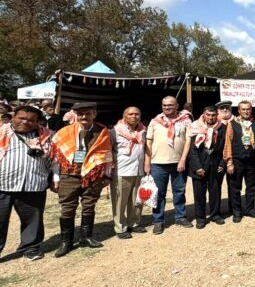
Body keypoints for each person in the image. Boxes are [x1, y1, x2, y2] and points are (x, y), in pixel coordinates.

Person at [51, 102, 113, 257]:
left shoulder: (103, 132)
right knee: (67, 206)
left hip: (92, 174)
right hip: (69, 174)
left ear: (94, 114)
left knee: (89, 204)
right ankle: (66, 242)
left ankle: (86, 237)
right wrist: (56, 177)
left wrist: (106, 175)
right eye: (80, 114)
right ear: (75, 115)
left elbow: (106, 156)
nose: (84, 116)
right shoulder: (63, 132)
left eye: (88, 113)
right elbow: (55, 158)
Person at [0, 106, 55, 261]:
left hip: (33, 184)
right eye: (21, 118)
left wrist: (55, 179)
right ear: (13, 117)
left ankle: (30, 248)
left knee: (33, 219)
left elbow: (55, 159)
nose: (25, 122)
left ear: (37, 122)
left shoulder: (47, 135)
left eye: (30, 120)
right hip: (2, 183)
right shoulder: (1, 132)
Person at [145, 96, 193, 233]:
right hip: (158, 163)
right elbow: (148, 143)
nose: (167, 107)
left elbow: (188, 142)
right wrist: (147, 163)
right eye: (164, 105)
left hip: (178, 163)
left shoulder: (186, 121)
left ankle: (180, 217)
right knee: (159, 193)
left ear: (177, 106)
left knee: (179, 192)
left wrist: (183, 159)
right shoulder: (155, 122)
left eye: (170, 105)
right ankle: (158, 221)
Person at [109, 107, 146, 239]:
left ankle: (134, 223)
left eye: (137, 114)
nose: (134, 116)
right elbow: (108, 150)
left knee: (137, 200)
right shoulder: (114, 131)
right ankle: (120, 227)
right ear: (124, 116)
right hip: (121, 171)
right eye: (130, 114)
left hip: (138, 170)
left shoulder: (143, 130)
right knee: (119, 201)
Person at [226, 101, 255, 221]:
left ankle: (249, 209)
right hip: (237, 161)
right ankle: (237, 212)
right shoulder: (232, 124)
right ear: (238, 110)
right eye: (243, 109)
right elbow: (228, 143)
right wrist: (229, 162)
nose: (246, 111)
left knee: (251, 187)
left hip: (251, 162)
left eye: (248, 109)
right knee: (235, 188)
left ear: (251, 110)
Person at [188, 106, 226, 229]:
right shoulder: (195, 127)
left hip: (215, 165)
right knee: (199, 193)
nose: (211, 117)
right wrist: (197, 167)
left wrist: (222, 163)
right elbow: (192, 150)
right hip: (199, 165)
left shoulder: (222, 128)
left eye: (213, 115)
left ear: (217, 115)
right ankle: (200, 218)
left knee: (215, 191)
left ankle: (215, 214)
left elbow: (226, 147)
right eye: (208, 114)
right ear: (204, 115)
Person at [215, 100, 234, 217]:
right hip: (218, 160)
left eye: (227, 108)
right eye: (222, 108)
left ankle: (233, 208)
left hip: (233, 159)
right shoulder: (214, 123)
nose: (225, 110)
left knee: (233, 185)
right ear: (218, 111)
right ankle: (216, 210)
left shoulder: (237, 122)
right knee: (216, 186)